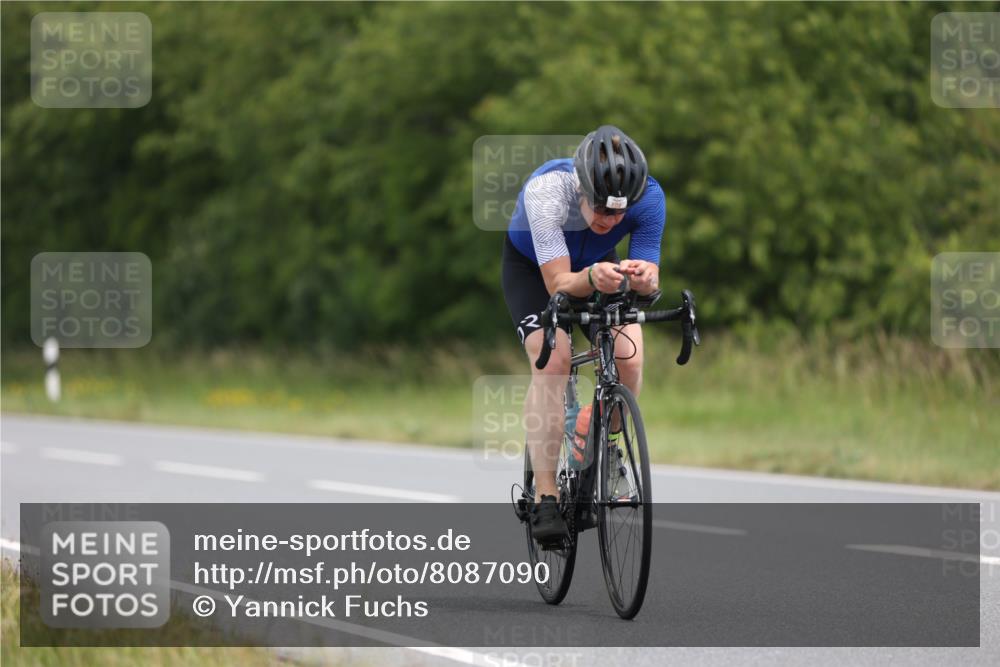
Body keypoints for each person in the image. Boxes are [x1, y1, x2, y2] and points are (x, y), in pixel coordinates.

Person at [502, 125, 666, 541]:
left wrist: (644, 278)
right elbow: (558, 283)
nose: (609, 220)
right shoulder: (546, 193)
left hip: (599, 266)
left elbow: (649, 275)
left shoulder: (650, 199)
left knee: (629, 355)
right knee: (554, 362)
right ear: (581, 188)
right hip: (536, 270)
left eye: (618, 213)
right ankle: (545, 497)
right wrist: (591, 276)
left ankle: (603, 444)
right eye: (600, 209)